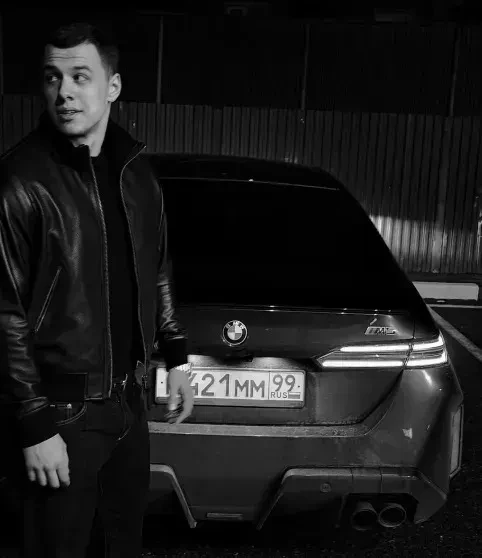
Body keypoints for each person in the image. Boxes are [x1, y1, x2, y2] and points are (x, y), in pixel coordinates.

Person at [0, 20, 194, 558]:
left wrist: (176, 356)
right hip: (61, 413)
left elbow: (158, 265)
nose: (63, 92)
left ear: (112, 86)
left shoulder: (137, 173)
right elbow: (4, 312)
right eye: (52, 77)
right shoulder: (20, 180)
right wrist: (33, 423)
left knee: (120, 546)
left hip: (128, 405)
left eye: (80, 76)